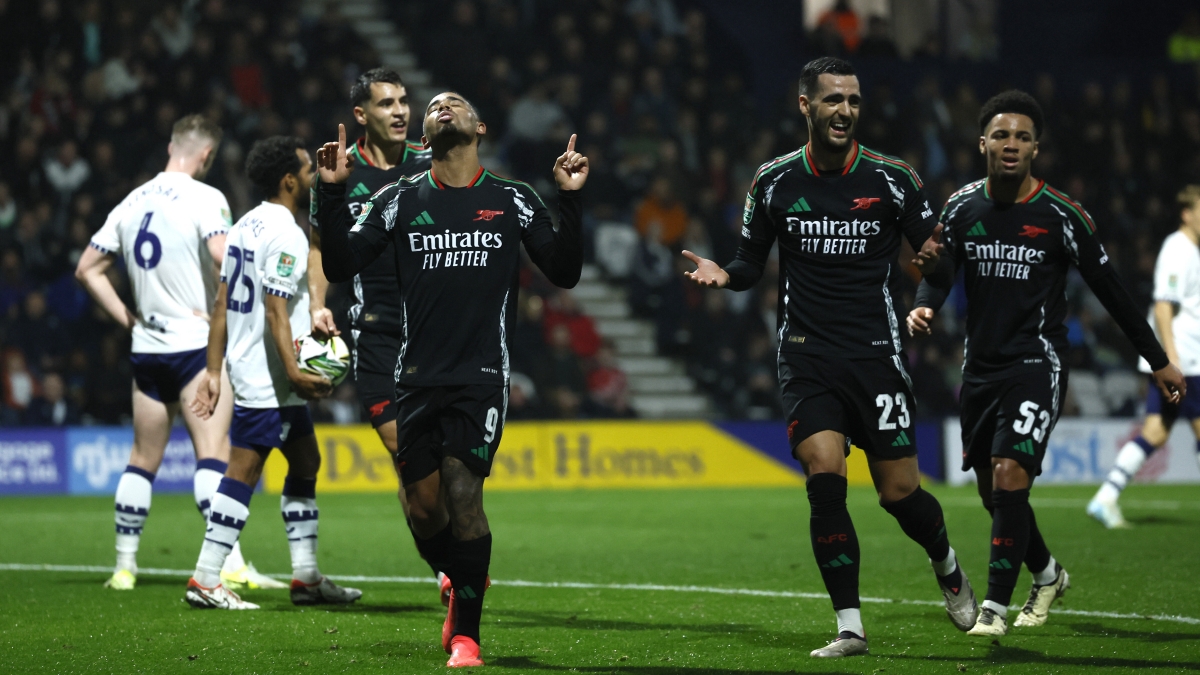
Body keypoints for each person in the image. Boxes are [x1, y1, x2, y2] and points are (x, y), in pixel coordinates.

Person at [682, 57, 972, 658]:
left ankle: (945, 563)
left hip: (876, 357)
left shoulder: (895, 179)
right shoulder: (774, 181)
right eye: (834, 100)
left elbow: (936, 259)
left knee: (899, 495)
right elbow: (748, 263)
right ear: (805, 105)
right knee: (824, 476)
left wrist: (930, 279)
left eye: (854, 101)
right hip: (807, 355)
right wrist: (723, 273)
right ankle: (850, 627)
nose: (845, 111)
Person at [315, 92, 587, 667]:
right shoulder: (399, 198)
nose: (441, 107)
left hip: (481, 375)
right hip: (414, 377)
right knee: (421, 508)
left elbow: (564, 271)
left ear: (479, 127)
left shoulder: (512, 197)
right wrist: (333, 190)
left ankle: (467, 635)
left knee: (464, 493)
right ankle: (460, 580)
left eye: (454, 103)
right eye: (433, 105)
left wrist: (570, 201)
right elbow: (340, 264)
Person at [908, 90, 1186, 636]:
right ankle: (1049, 573)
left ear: (1037, 148)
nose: (1012, 145)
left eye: (1023, 137)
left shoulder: (1062, 216)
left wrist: (1159, 360)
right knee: (995, 495)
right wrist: (922, 303)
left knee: (1013, 477)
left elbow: (1113, 292)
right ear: (983, 141)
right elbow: (939, 270)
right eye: (1002, 135)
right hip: (980, 369)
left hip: (1038, 362)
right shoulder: (961, 207)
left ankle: (993, 608)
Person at [75, 114, 280, 592]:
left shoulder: (132, 200)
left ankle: (124, 567)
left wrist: (128, 319)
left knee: (142, 457)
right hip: (194, 346)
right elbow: (220, 256)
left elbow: (87, 269)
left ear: (173, 146)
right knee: (213, 455)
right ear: (207, 156)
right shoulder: (206, 198)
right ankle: (226, 565)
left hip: (147, 348)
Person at [184, 136, 360, 610]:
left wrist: (214, 370)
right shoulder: (285, 232)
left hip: (253, 366)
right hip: (269, 375)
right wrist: (295, 373)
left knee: (305, 462)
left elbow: (222, 302)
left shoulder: (243, 225)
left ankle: (305, 577)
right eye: (306, 170)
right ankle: (204, 578)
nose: (310, 176)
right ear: (288, 180)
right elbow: (275, 311)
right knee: (243, 470)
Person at [305, 68, 443, 597]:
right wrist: (317, 305)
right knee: (409, 459)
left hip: (435, 334)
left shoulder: (430, 164)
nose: (401, 111)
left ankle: (445, 557)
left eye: (404, 101)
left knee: (434, 480)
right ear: (361, 114)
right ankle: (448, 570)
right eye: (387, 104)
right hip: (378, 335)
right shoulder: (341, 173)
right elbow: (320, 246)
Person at [1089, 185, 1200, 528]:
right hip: (1186, 359)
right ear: (1187, 213)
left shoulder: (1191, 251)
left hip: (1185, 356)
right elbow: (1164, 307)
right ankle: (1105, 499)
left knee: (1156, 430)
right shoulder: (1178, 250)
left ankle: (1105, 497)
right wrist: (1171, 358)